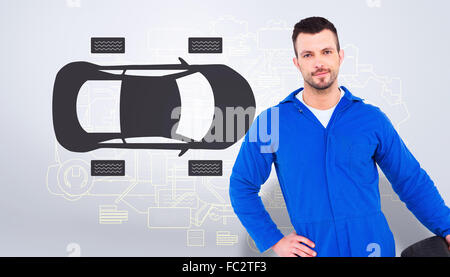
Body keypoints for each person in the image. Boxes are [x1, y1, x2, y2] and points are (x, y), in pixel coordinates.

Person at [229, 16, 450, 257]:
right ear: (296, 63)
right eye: (308, 55)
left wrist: (447, 227)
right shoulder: (270, 123)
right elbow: (242, 186)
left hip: (374, 250)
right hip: (315, 252)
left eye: (326, 51)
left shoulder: (371, 118)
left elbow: (410, 179)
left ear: (340, 56)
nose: (319, 62)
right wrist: (274, 240)